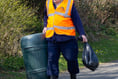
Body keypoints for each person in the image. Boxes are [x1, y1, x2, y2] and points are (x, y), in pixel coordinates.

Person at [42, 0, 88, 79]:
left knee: (71, 59)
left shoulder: (68, 3)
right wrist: (45, 26)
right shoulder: (48, 3)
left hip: (67, 38)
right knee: (51, 61)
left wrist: (82, 33)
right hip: (52, 38)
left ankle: (73, 76)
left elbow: (76, 19)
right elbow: (46, 16)